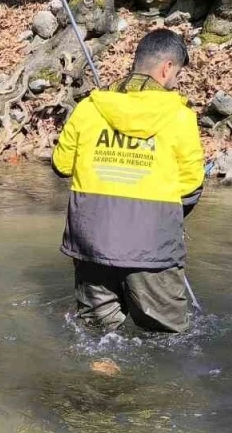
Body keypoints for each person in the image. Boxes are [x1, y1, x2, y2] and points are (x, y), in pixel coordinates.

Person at [51, 29, 205, 334]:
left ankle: (100, 378)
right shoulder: (180, 116)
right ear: (166, 68)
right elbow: (191, 186)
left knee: (97, 336)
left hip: (90, 243)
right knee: (167, 339)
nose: (176, 82)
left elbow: (61, 164)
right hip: (152, 247)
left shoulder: (89, 108)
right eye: (178, 74)